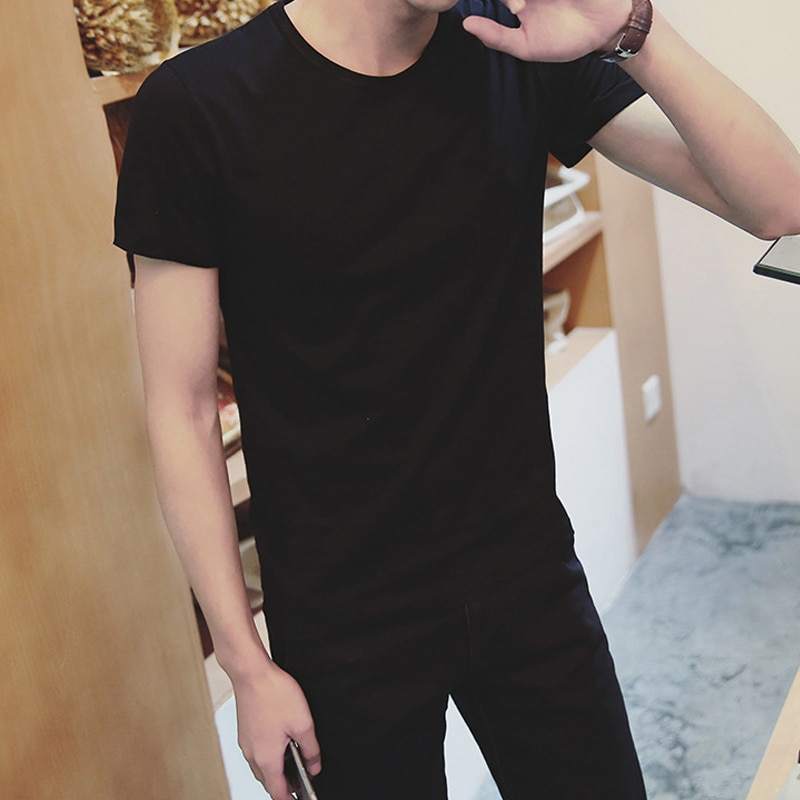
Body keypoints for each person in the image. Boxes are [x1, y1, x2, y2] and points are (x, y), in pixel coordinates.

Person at [111, 0, 800, 797]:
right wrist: (245, 665)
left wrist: (630, 27)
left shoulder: (515, 46)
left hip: (526, 572)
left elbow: (779, 204)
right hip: (342, 619)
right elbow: (183, 409)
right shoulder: (197, 105)